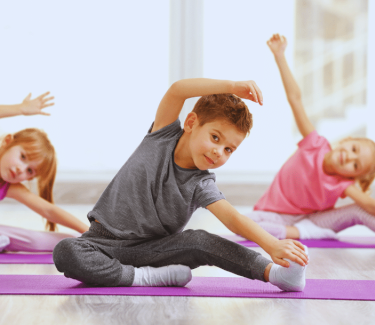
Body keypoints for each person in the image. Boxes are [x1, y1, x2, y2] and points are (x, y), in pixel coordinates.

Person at [53, 78, 309, 292]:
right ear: (190, 123)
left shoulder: (202, 183)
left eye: (229, 149)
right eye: (215, 137)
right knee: (66, 251)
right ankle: (146, 278)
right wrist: (231, 86)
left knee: (200, 240)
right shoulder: (162, 135)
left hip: (152, 252)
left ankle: (275, 275)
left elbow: (232, 218)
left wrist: (272, 245)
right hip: (100, 243)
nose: (219, 151)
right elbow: (177, 90)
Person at [246, 34, 375, 241]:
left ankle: (303, 232)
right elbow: (295, 99)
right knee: (245, 224)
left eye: (355, 166)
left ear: (352, 176)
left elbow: (369, 206)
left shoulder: (342, 184)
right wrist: (279, 56)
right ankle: (299, 234)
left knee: (358, 211)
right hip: (275, 217)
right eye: (354, 150)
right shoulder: (315, 144)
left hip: (313, 221)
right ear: (347, 140)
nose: (349, 158)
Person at [0, 92, 89, 254]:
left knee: (35, 240)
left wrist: (88, 232)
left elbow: (49, 210)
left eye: (29, 171)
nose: (21, 170)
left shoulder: (9, 187)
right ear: (7, 142)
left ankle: (86, 243)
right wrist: (20, 109)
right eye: (22, 157)